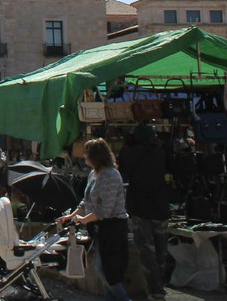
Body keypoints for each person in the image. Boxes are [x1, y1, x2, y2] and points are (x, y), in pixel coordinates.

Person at [57, 138, 130, 301]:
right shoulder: (93, 174)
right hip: (99, 228)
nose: (84, 156)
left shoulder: (110, 175)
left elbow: (106, 208)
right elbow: (87, 200)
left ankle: (123, 298)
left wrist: (84, 219)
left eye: (87, 153)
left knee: (108, 269)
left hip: (113, 227)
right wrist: (73, 215)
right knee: (100, 267)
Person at [118, 124, 169, 300]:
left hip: (140, 206)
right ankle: (159, 285)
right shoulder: (161, 151)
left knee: (147, 251)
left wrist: (127, 145)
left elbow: (122, 168)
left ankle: (156, 288)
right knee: (161, 249)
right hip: (160, 205)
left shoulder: (131, 153)